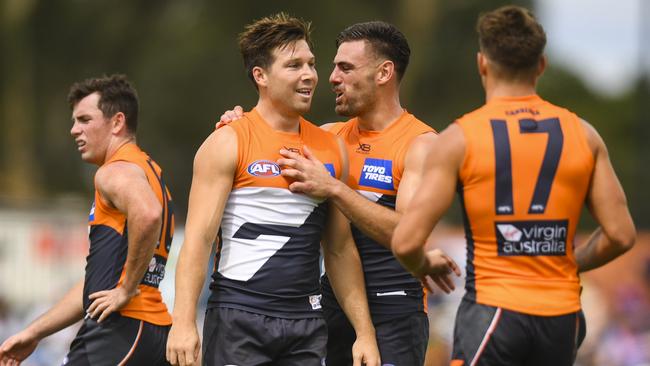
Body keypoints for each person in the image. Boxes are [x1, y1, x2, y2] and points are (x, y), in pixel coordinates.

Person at [392, 5, 637, 366]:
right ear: (541, 65)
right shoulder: (584, 135)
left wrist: (422, 264)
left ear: (482, 64)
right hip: (561, 317)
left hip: (493, 312)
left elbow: (406, 240)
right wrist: (570, 262)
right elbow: (620, 235)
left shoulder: (460, 138)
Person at [220, 21, 460, 366]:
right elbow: (262, 140)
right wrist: (238, 121)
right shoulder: (329, 137)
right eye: (332, 67)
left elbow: (407, 233)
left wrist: (334, 188)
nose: (331, 78)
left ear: (384, 73)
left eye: (345, 68)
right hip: (332, 306)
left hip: (393, 308)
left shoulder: (421, 145)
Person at [165, 13, 379, 366]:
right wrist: (184, 322)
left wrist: (365, 333)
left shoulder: (332, 147)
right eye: (293, 65)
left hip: (306, 323)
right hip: (238, 318)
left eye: (311, 64)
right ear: (260, 76)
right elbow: (199, 241)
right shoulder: (227, 141)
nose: (309, 75)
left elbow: (339, 248)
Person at [0, 74, 175, 365]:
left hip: (119, 330)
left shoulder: (114, 171)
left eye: (84, 120)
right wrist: (34, 332)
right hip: (148, 330)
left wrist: (126, 290)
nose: (73, 130)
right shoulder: (148, 169)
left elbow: (149, 214)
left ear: (117, 122)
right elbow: (94, 288)